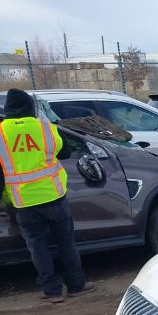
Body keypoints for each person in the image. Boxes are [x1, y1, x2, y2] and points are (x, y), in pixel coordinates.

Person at [0, 89, 94, 303]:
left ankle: (52, 291)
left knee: (37, 245)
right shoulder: (45, 128)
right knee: (66, 242)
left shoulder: (1, 133)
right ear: (29, 107)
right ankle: (76, 285)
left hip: (22, 200)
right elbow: (66, 153)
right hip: (54, 195)